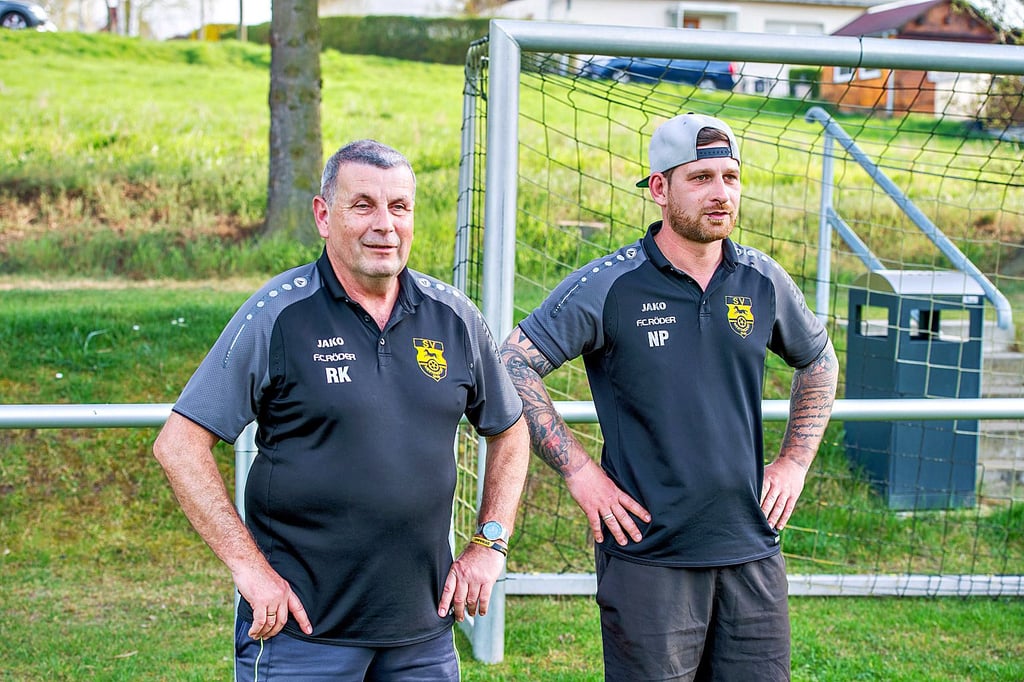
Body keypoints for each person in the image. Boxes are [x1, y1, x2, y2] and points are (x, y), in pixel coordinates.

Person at [153, 139, 529, 681]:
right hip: (301, 635)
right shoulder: (279, 315)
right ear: (323, 216)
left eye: (399, 207)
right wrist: (249, 570)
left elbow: (511, 431)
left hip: (424, 633)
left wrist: (489, 542)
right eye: (363, 206)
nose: (385, 225)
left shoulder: (454, 317)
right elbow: (179, 445)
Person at [500, 113, 839, 681]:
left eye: (730, 177)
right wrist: (580, 471)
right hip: (649, 556)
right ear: (659, 188)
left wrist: (794, 461)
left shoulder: (762, 279)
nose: (721, 193)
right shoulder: (610, 284)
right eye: (701, 177)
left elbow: (819, 361)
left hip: (751, 549)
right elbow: (511, 364)